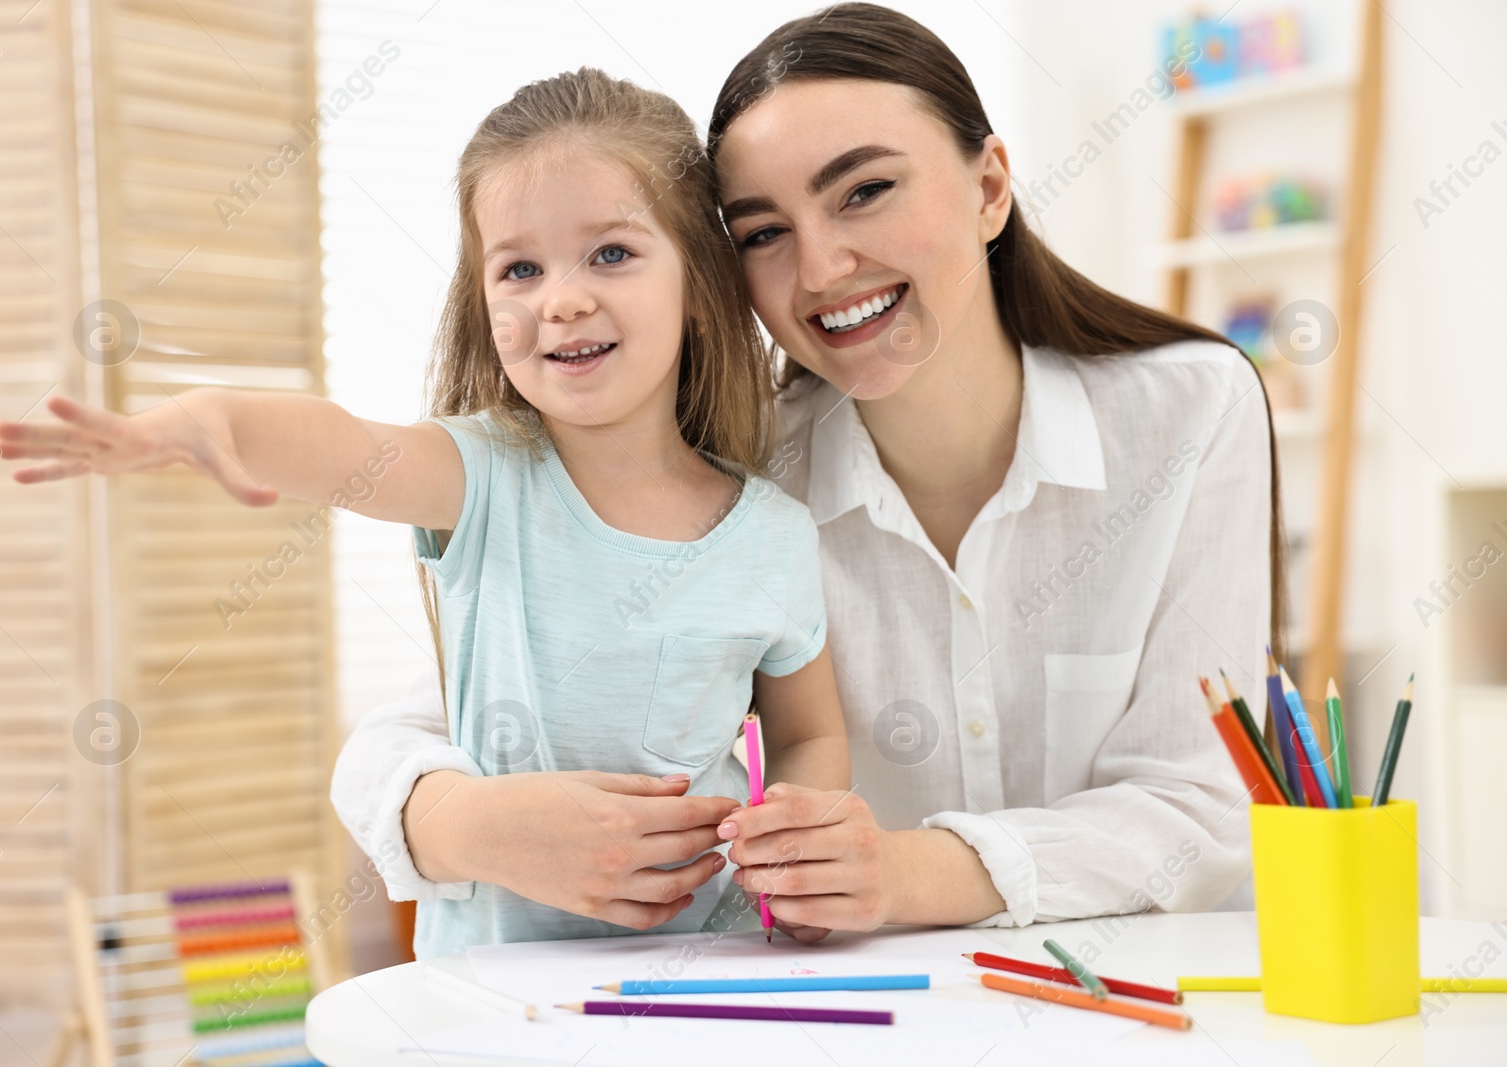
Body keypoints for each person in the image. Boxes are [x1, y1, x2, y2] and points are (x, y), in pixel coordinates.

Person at [335, 2, 1281, 947]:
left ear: (990, 186)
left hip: (1160, 1001)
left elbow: (1200, 805)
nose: (823, 266)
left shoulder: (1190, 412)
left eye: (864, 191)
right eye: (762, 233)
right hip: (875, 1014)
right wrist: (459, 824)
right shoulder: (733, 484)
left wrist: (905, 870)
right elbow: (429, 719)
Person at [0, 67, 848, 958]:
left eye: (611, 253)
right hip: (486, 994)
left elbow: (808, 730)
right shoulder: (475, 473)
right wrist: (212, 418)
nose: (560, 298)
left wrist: (799, 858)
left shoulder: (772, 536)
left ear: (699, 281)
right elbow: (338, 443)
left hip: (707, 976)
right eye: (520, 267)